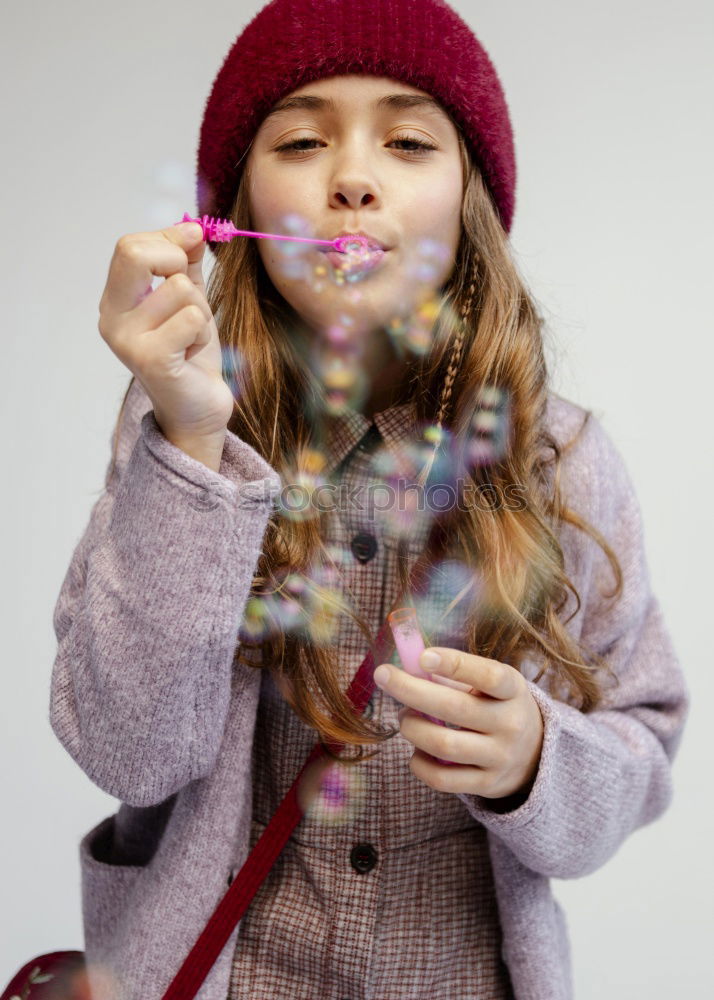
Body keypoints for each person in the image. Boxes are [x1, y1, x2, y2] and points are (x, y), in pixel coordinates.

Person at [48, 1, 690, 998]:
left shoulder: (560, 456)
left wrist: (535, 757)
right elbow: (132, 753)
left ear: (468, 196)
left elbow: (643, 749)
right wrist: (185, 436)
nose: (352, 176)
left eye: (406, 139)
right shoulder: (183, 431)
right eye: (301, 140)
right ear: (236, 209)